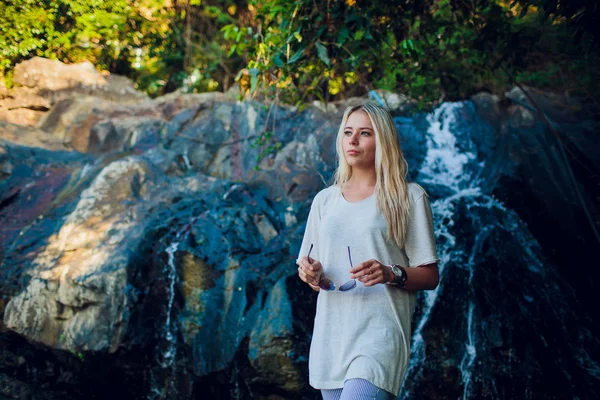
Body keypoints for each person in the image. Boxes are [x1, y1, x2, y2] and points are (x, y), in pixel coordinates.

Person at [296, 103, 440, 400]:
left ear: (383, 140)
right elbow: (310, 268)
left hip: (380, 334)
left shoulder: (408, 197)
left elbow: (430, 275)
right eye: (348, 132)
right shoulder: (325, 201)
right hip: (332, 336)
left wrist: (390, 272)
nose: (353, 140)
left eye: (364, 133)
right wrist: (310, 274)